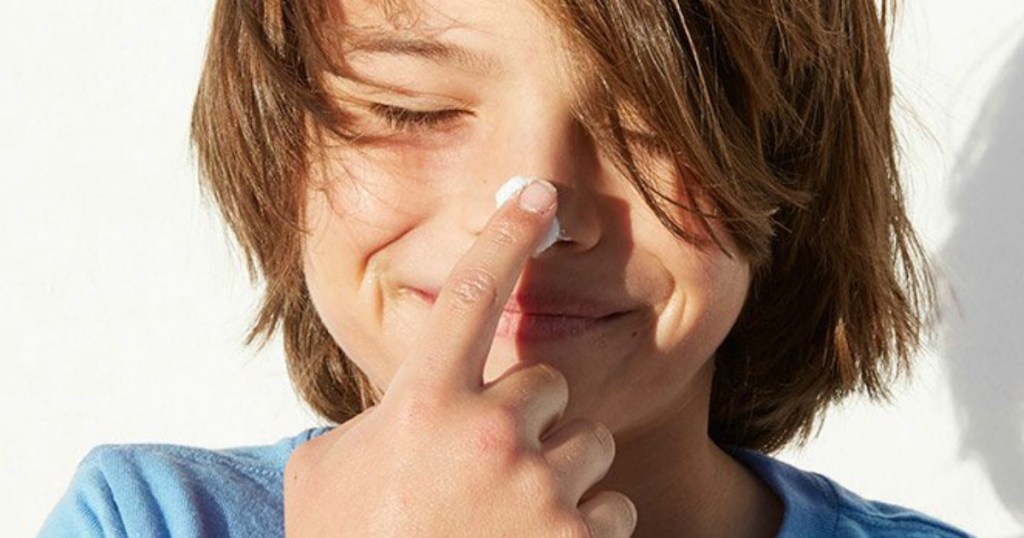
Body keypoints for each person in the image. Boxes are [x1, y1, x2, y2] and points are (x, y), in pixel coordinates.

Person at [41, 0, 973, 536]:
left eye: (645, 127)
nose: (530, 216)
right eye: (410, 110)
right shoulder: (143, 520)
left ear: (794, 163)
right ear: (278, 139)